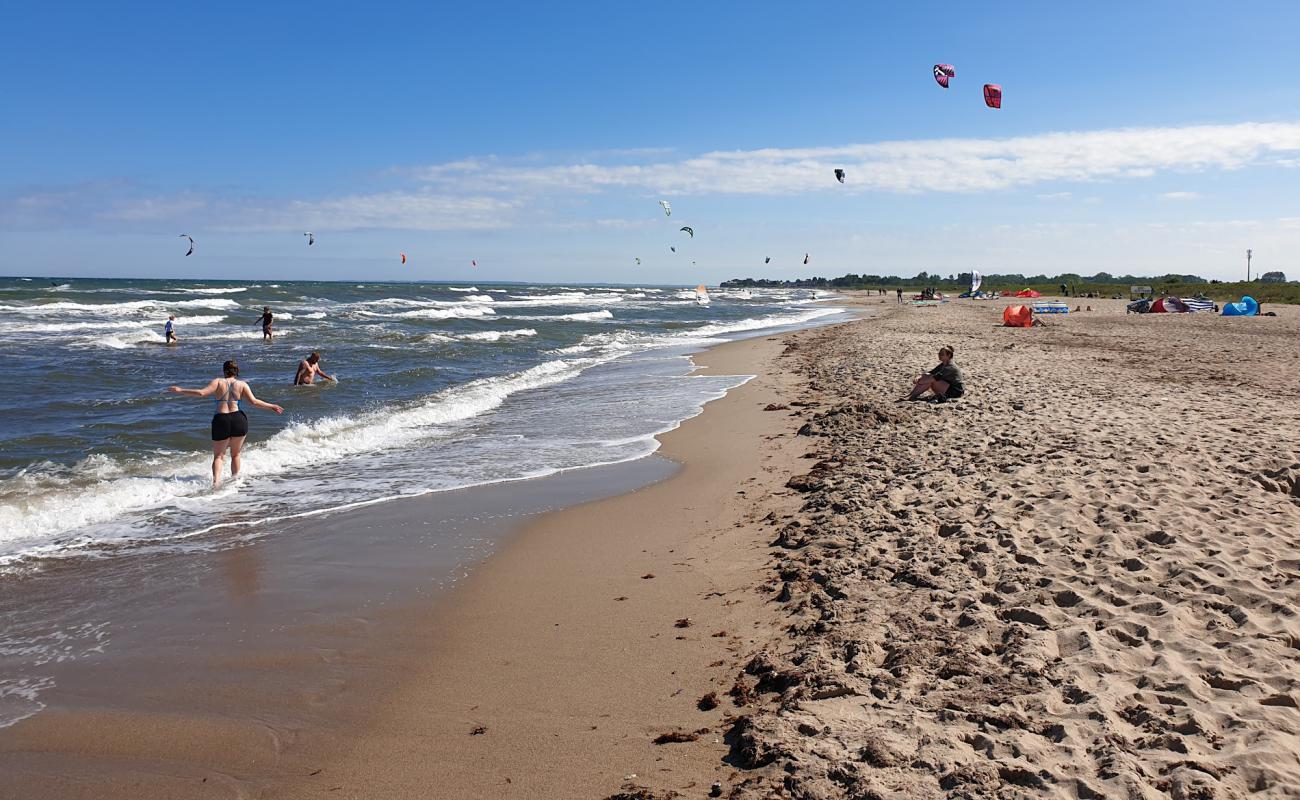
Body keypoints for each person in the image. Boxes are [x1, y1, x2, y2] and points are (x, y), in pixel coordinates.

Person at [168, 360, 283, 487]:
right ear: (237, 371)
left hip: (221, 420)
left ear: (224, 371)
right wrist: (272, 406)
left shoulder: (217, 382)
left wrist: (180, 390)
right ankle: (235, 482)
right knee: (236, 454)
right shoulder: (242, 384)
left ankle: (216, 483)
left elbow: (201, 393)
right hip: (239, 419)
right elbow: (254, 402)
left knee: (219, 456)